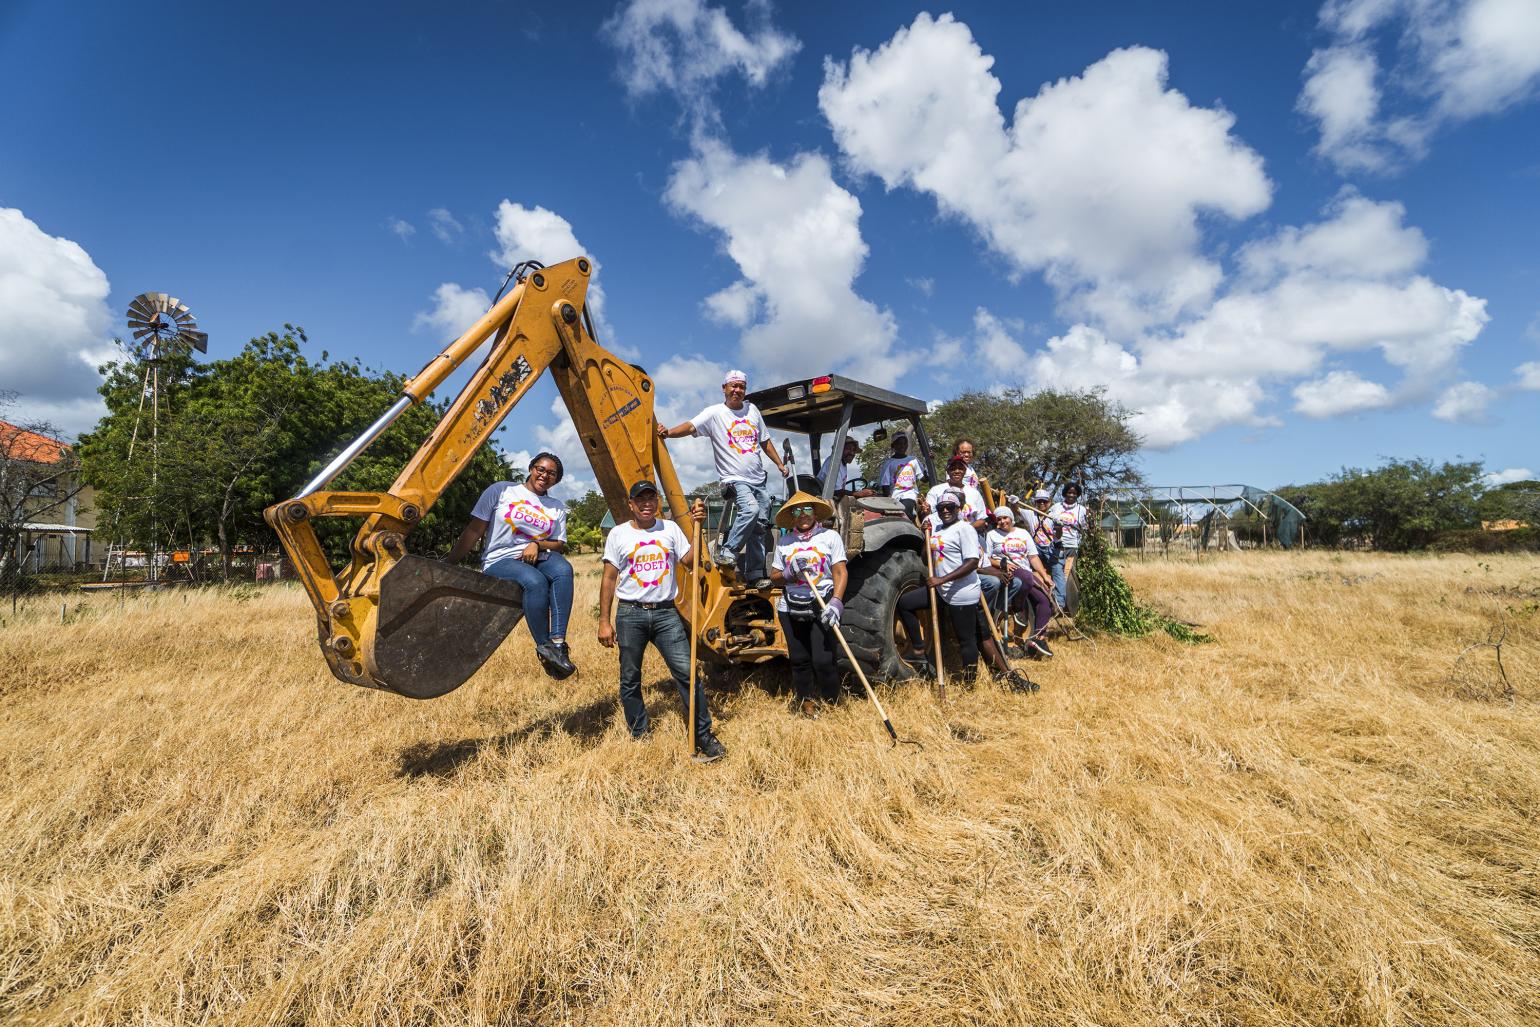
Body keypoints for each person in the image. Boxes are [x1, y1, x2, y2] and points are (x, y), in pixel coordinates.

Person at [596, 480, 725, 761]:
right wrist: (604, 620)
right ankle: (639, 733)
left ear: (657, 502)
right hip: (631, 613)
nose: (646, 504)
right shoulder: (618, 535)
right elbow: (608, 578)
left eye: (651, 498)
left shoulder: (670, 529)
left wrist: (697, 530)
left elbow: (690, 561)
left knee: (688, 674)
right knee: (630, 678)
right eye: (640, 499)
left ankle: (703, 735)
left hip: (667, 613)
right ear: (631, 504)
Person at [447, 451, 576, 679]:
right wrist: (450, 563)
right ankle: (545, 648)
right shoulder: (502, 491)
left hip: (539, 556)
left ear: (556, 480)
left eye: (552, 474)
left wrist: (536, 543)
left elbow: (558, 544)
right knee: (535, 582)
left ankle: (558, 643)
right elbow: (475, 530)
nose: (544, 475)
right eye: (541, 469)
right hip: (501, 559)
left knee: (564, 570)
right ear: (531, 468)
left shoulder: (556, 506)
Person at [658, 369, 790, 589]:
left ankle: (755, 574)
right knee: (750, 510)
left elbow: (765, 440)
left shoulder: (752, 410)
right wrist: (668, 433)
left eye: (741, 387)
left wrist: (778, 463)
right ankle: (727, 552)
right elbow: (691, 426)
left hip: (759, 479)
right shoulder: (714, 413)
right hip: (734, 478)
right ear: (725, 388)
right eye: (733, 386)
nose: (737, 390)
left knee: (759, 526)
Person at [898, 490, 1033, 691]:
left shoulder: (965, 529)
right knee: (905, 603)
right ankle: (918, 649)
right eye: (941, 508)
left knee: (966, 639)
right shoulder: (937, 530)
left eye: (950, 507)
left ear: (958, 510)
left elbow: (972, 563)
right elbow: (927, 559)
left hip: (962, 592)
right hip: (941, 589)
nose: (945, 511)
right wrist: (926, 537)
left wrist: (942, 579)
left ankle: (969, 684)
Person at [768, 490, 848, 719]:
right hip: (791, 608)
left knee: (823, 660)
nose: (802, 514)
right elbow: (774, 577)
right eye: (797, 510)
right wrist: (788, 572)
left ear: (815, 512)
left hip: (822, 603)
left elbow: (840, 571)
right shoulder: (785, 542)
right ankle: (807, 703)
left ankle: (832, 703)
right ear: (792, 516)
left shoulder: (829, 537)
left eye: (807, 509)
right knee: (800, 660)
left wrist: (836, 602)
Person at [979, 506, 1055, 659]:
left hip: (1025, 570)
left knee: (1044, 601)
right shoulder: (992, 535)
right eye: (999, 519)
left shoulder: (1023, 533)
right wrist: (1002, 564)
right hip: (1006, 570)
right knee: (1026, 578)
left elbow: (1033, 557)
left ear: (1011, 518)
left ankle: (1038, 639)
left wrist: (1044, 575)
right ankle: (1019, 608)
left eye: (1005, 518)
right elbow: (987, 559)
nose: (1002, 521)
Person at [1022, 489, 1065, 609]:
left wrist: (1059, 527)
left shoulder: (1054, 516)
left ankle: (1059, 604)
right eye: (1039, 501)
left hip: (1051, 548)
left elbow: (1058, 536)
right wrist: (1013, 502)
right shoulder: (1030, 514)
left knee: (1057, 571)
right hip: (1036, 548)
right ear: (1035, 502)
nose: (1041, 504)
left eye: (1044, 501)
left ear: (1049, 502)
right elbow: (1016, 509)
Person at [921, 458, 988, 532]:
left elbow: (982, 520)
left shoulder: (974, 493)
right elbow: (928, 516)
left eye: (960, 468)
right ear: (948, 471)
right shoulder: (936, 490)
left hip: (970, 534)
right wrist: (926, 511)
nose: (957, 471)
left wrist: (963, 530)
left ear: (965, 471)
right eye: (953, 469)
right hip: (942, 535)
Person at [1049, 483, 1089, 601]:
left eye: (1074, 493)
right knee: (1057, 573)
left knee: (1069, 574)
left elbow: (1084, 528)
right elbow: (1048, 521)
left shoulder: (1081, 510)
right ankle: (1057, 600)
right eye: (1069, 492)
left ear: (1077, 495)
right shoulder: (1056, 507)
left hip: (1072, 546)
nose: (1071, 495)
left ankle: (1069, 601)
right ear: (1064, 493)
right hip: (1057, 545)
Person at [878, 433, 926, 520]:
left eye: (904, 443)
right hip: (894, 496)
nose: (902, 446)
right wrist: (888, 500)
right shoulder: (889, 463)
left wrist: (927, 472)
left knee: (906, 510)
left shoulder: (913, 460)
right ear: (893, 446)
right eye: (899, 443)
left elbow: (923, 479)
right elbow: (885, 484)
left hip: (910, 494)